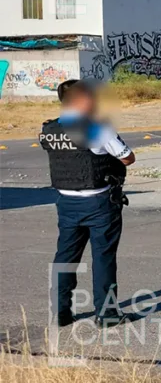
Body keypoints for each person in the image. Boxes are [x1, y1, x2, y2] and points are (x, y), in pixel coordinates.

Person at [39, 81, 135, 327]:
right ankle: (106, 313)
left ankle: (60, 311)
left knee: (65, 257)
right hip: (99, 202)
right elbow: (127, 158)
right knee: (103, 257)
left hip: (66, 202)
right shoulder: (96, 129)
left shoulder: (49, 129)